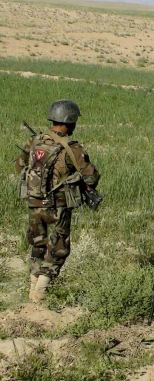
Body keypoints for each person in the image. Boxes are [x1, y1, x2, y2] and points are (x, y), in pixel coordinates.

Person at [14, 100, 100, 302]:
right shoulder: (72, 149)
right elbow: (92, 177)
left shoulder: (34, 142)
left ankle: (32, 288)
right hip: (57, 206)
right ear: (70, 122)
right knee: (59, 246)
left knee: (38, 244)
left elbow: (19, 167)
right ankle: (41, 291)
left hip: (34, 202)